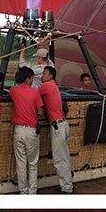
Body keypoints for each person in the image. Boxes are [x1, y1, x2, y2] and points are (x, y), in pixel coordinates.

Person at [7, 65, 43, 196]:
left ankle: (23, 192)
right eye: (32, 78)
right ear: (28, 79)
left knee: (21, 163)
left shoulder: (13, 90)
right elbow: (40, 112)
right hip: (31, 131)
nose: (33, 81)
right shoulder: (35, 92)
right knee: (32, 163)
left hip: (18, 130)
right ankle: (32, 192)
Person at [40, 65, 73, 194]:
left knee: (60, 160)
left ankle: (66, 189)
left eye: (44, 74)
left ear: (50, 76)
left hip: (57, 127)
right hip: (62, 124)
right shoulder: (54, 86)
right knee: (65, 157)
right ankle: (67, 185)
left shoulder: (46, 86)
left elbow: (32, 94)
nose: (42, 76)